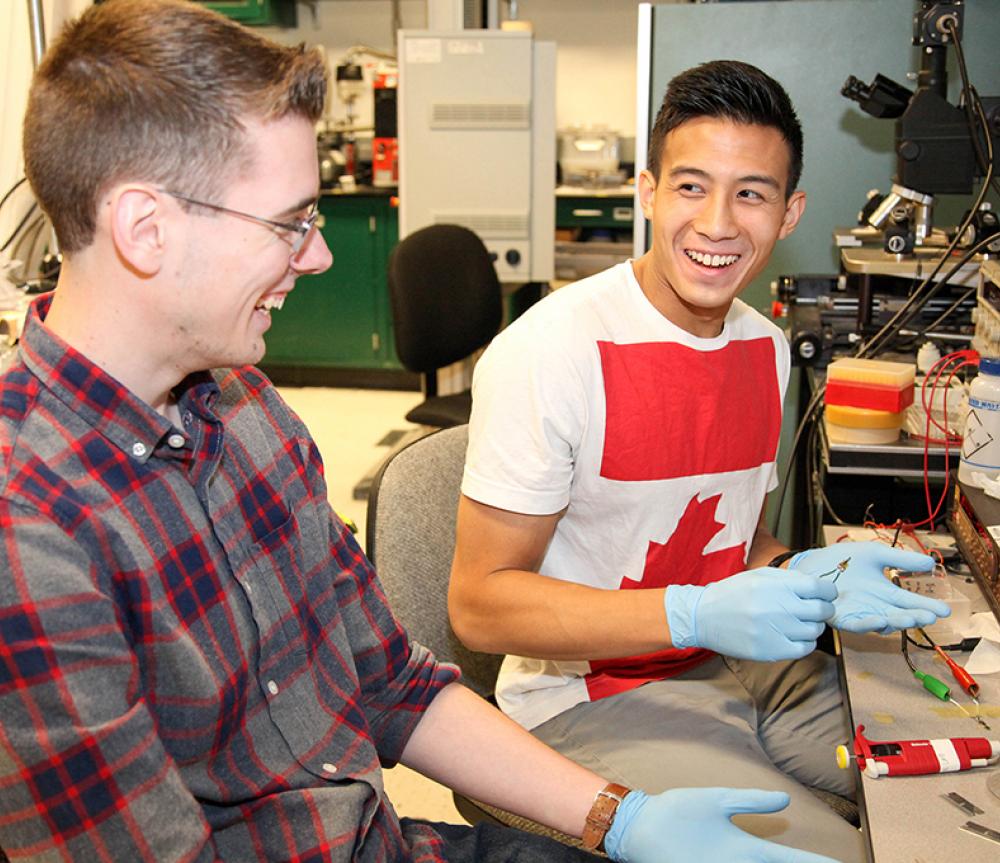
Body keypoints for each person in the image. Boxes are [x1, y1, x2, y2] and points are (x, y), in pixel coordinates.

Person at [0, 3, 844, 861]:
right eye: (291, 222)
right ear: (147, 229)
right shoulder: (29, 528)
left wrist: (618, 818)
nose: (318, 255)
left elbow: (392, 684)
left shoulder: (251, 415)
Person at [450, 59, 953, 863]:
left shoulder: (767, 347)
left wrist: (816, 573)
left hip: (738, 663)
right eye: (691, 186)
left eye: (751, 193)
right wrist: (688, 613)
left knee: (942, 790)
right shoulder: (552, 350)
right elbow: (480, 605)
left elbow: (728, 546)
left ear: (789, 213)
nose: (718, 223)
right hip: (591, 693)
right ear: (647, 191)